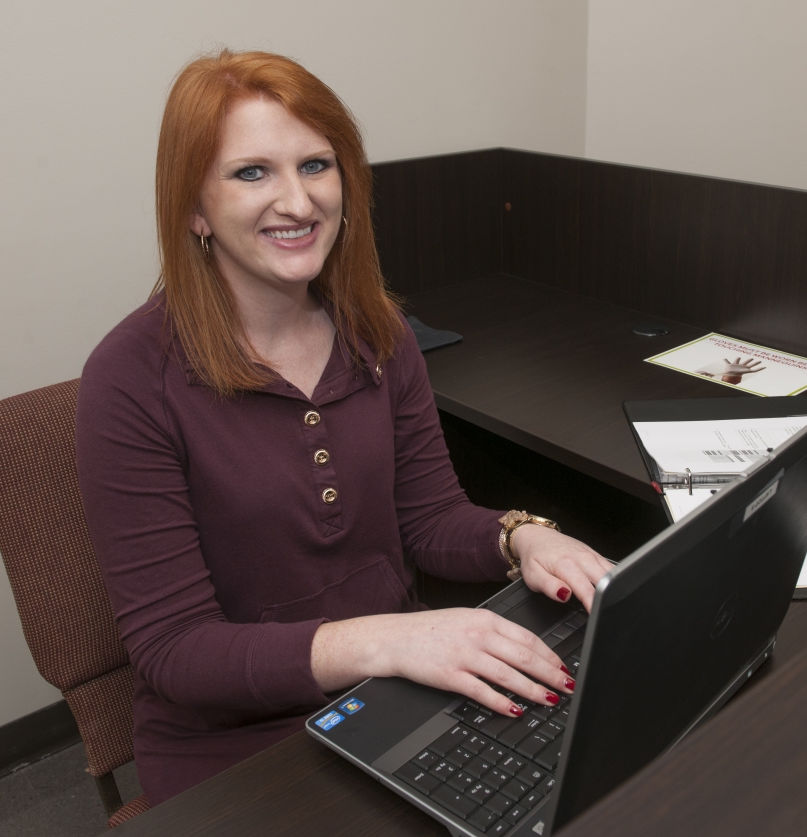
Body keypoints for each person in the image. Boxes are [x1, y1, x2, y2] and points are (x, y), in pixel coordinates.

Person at [74, 49, 613, 806]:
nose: (296, 201)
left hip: (393, 692)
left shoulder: (377, 331)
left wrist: (523, 534)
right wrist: (393, 638)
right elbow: (176, 652)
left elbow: (428, 518)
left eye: (316, 165)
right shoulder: (130, 379)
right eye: (251, 172)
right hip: (234, 743)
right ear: (194, 207)